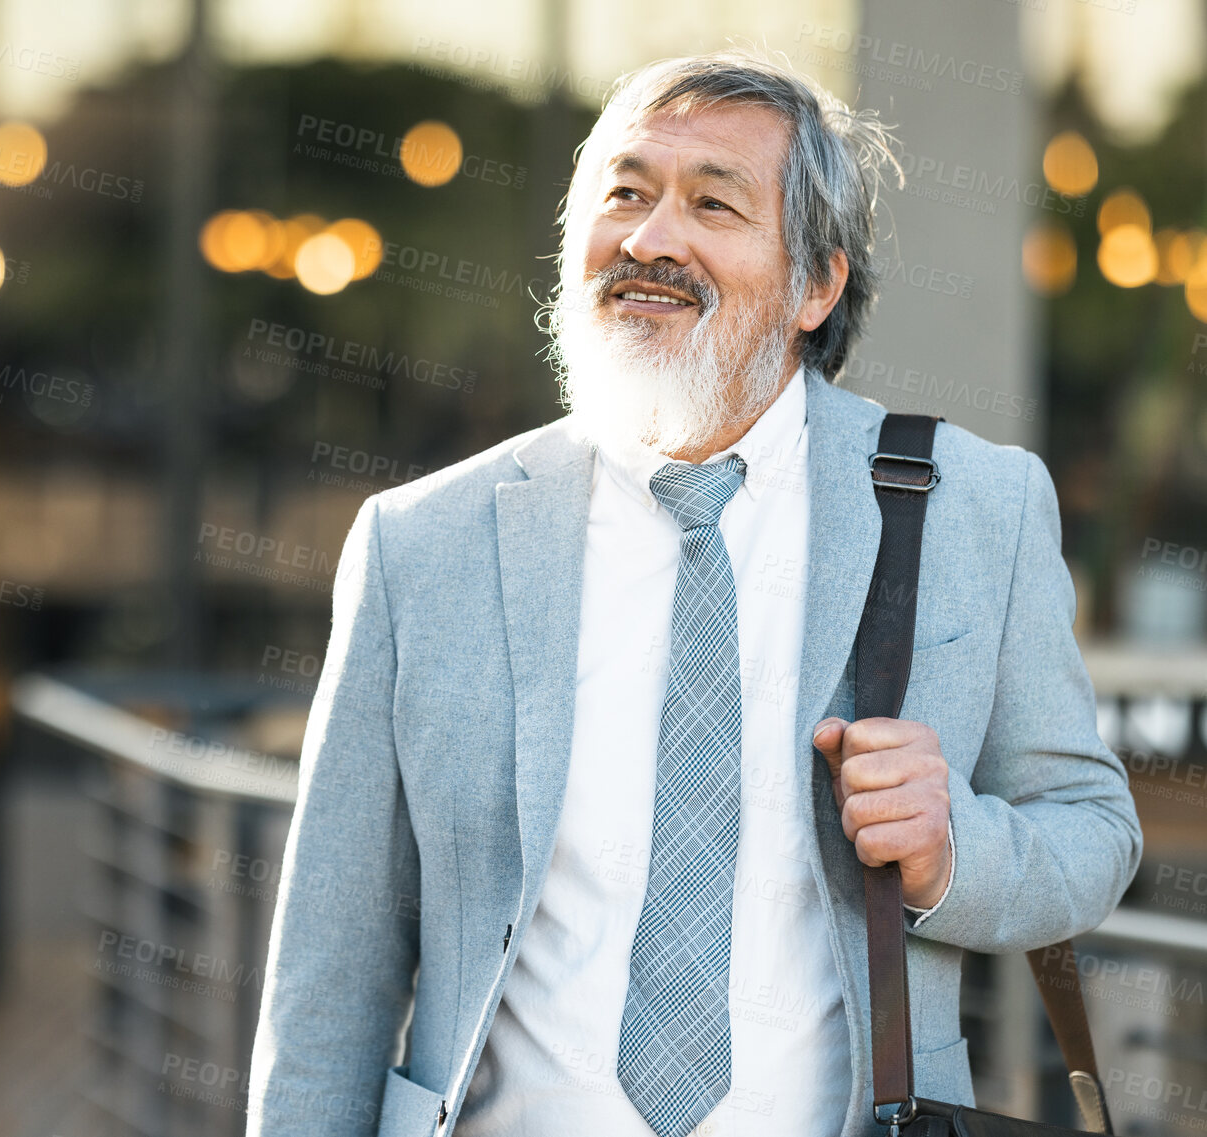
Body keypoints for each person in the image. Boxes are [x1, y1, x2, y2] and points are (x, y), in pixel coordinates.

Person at [244, 50, 1142, 1137]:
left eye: (713, 204)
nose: (651, 240)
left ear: (818, 285)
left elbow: (1092, 834)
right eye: (624, 195)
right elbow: (332, 969)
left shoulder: (976, 507)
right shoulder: (421, 543)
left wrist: (952, 850)